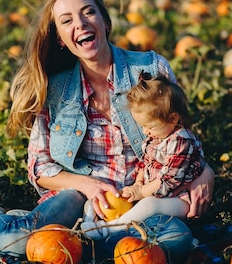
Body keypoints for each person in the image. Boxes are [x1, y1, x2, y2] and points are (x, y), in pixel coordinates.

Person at [0, 0, 215, 264]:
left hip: (139, 200)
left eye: (88, 13)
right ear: (60, 38)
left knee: (176, 239)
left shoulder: (150, 70)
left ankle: (83, 241)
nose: (80, 24)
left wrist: (206, 173)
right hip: (77, 196)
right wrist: (89, 185)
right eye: (67, 20)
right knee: (14, 242)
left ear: (105, 22)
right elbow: (39, 168)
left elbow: (180, 136)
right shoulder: (55, 90)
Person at [80, 72, 208, 240]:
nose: (146, 131)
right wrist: (138, 183)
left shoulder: (182, 143)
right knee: (114, 199)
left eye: (150, 127)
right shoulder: (158, 136)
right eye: (142, 126)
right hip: (153, 191)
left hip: (180, 199)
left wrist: (140, 192)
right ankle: (89, 221)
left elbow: (168, 180)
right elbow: (145, 163)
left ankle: (109, 230)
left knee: (149, 205)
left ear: (173, 118)